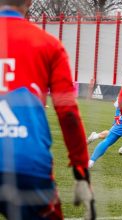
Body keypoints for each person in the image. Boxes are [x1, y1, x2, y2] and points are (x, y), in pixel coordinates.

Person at [0, 1, 95, 219]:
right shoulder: (48, 44)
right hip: (27, 165)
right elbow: (68, 113)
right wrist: (81, 173)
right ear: (30, 2)